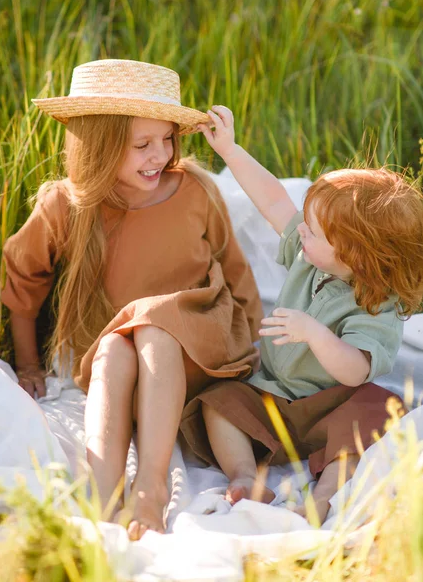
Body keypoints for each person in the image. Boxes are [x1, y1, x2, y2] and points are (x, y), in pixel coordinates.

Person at [0, 61, 263, 540]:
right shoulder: (66, 206)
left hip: (201, 347)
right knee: (115, 350)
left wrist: (258, 354)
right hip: (127, 361)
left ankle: (151, 488)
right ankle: (102, 493)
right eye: (142, 145)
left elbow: (237, 272)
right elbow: (22, 279)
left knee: (155, 326)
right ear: (98, 145)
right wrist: (27, 363)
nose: (160, 155)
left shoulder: (195, 191)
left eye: (167, 139)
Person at [180, 105, 423, 524]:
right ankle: (243, 475)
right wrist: (231, 151)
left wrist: (315, 333)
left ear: (354, 253)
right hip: (271, 395)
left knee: (378, 408)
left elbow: (353, 371)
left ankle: (324, 496)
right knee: (217, 403)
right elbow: (274, 198)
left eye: (312, 231)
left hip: (331, 406)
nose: (301, 232)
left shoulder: (376, 304)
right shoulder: (310, 258)